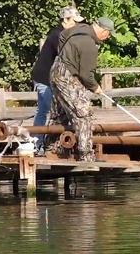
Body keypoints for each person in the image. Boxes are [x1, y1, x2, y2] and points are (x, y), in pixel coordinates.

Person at [49, 17, 115, 162]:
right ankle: (86, 155)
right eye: (108, 34)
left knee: (61, 114)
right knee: (84, 115)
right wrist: (95, 87)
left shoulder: (79, 29)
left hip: (55, 71)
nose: (108, 37)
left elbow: (61, 36)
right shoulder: (89, 44)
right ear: (103, 31)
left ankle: (55, 149)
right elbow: (86, 75)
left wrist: (69, 57)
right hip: (67, 77)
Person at [30, 6, 84, 149]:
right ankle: (39, 143)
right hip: (44, 77)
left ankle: (37, 142)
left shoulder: (63, 34)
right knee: (49, 110)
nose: (77, 25)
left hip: (46, 77)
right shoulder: (58, 35)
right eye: (74, 21)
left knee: (44, 110)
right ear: (65, 20)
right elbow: (67, 58)